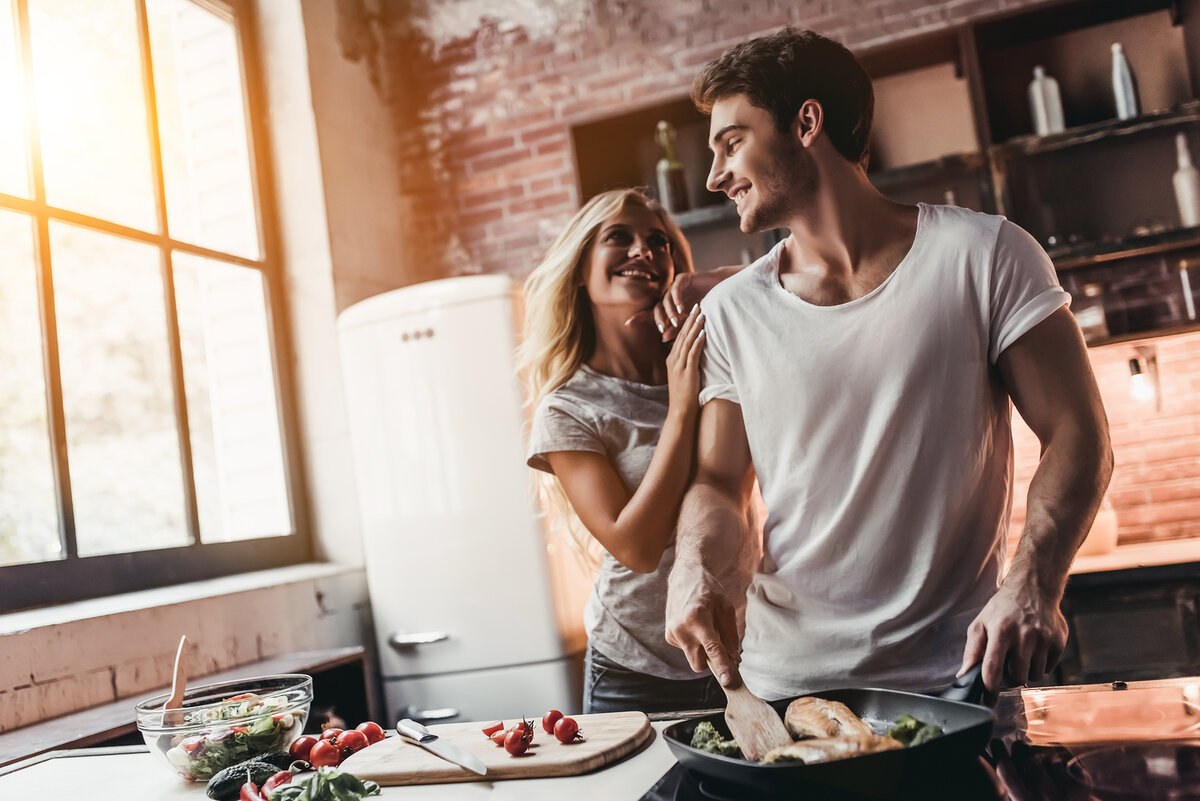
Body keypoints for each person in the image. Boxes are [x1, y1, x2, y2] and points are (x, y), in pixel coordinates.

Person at [664, 28, 1114, 700]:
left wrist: (1033, 580)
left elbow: (1080, 436)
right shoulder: (732, 310)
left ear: (806, 122)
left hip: (954, 684)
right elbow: (720, 484)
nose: (713, 175)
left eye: (732, 142)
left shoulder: (985, 255)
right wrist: (692, 566)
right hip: (783, 687)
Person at [520, 188, 741, 713]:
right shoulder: (568, 407)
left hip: (744, 648)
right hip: (634, 670)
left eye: (660, 243)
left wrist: (696, 282)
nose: (644, 251)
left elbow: (788, 275)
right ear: (580, 269)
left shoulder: (712, 357)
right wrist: (682, 406)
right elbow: (636, 547)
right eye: (619, 237)